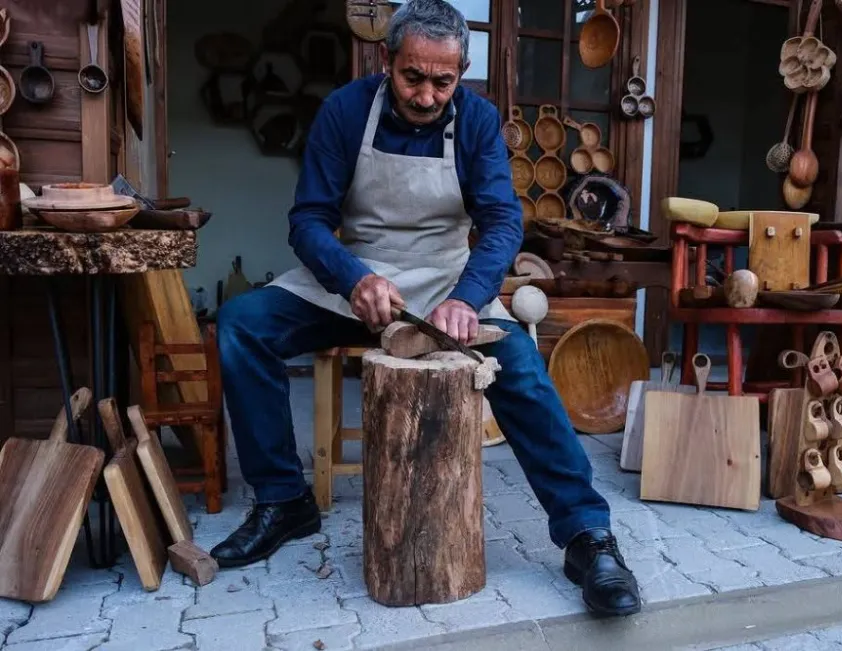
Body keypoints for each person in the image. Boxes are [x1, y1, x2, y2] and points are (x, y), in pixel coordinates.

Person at [211, 0, 641, 618]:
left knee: (518, 365)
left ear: (461, 71)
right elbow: (307, 220)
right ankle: (283, 500)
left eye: (444, 81)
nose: (426, 94)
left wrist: (468, 298)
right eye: (413, 77)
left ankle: (585, 535)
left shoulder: (477, 121)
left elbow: (500, 222)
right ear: (387, 61)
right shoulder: (344, 112)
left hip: (443, 288)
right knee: (241, 326)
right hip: (348, 283)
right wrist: (353, 277)